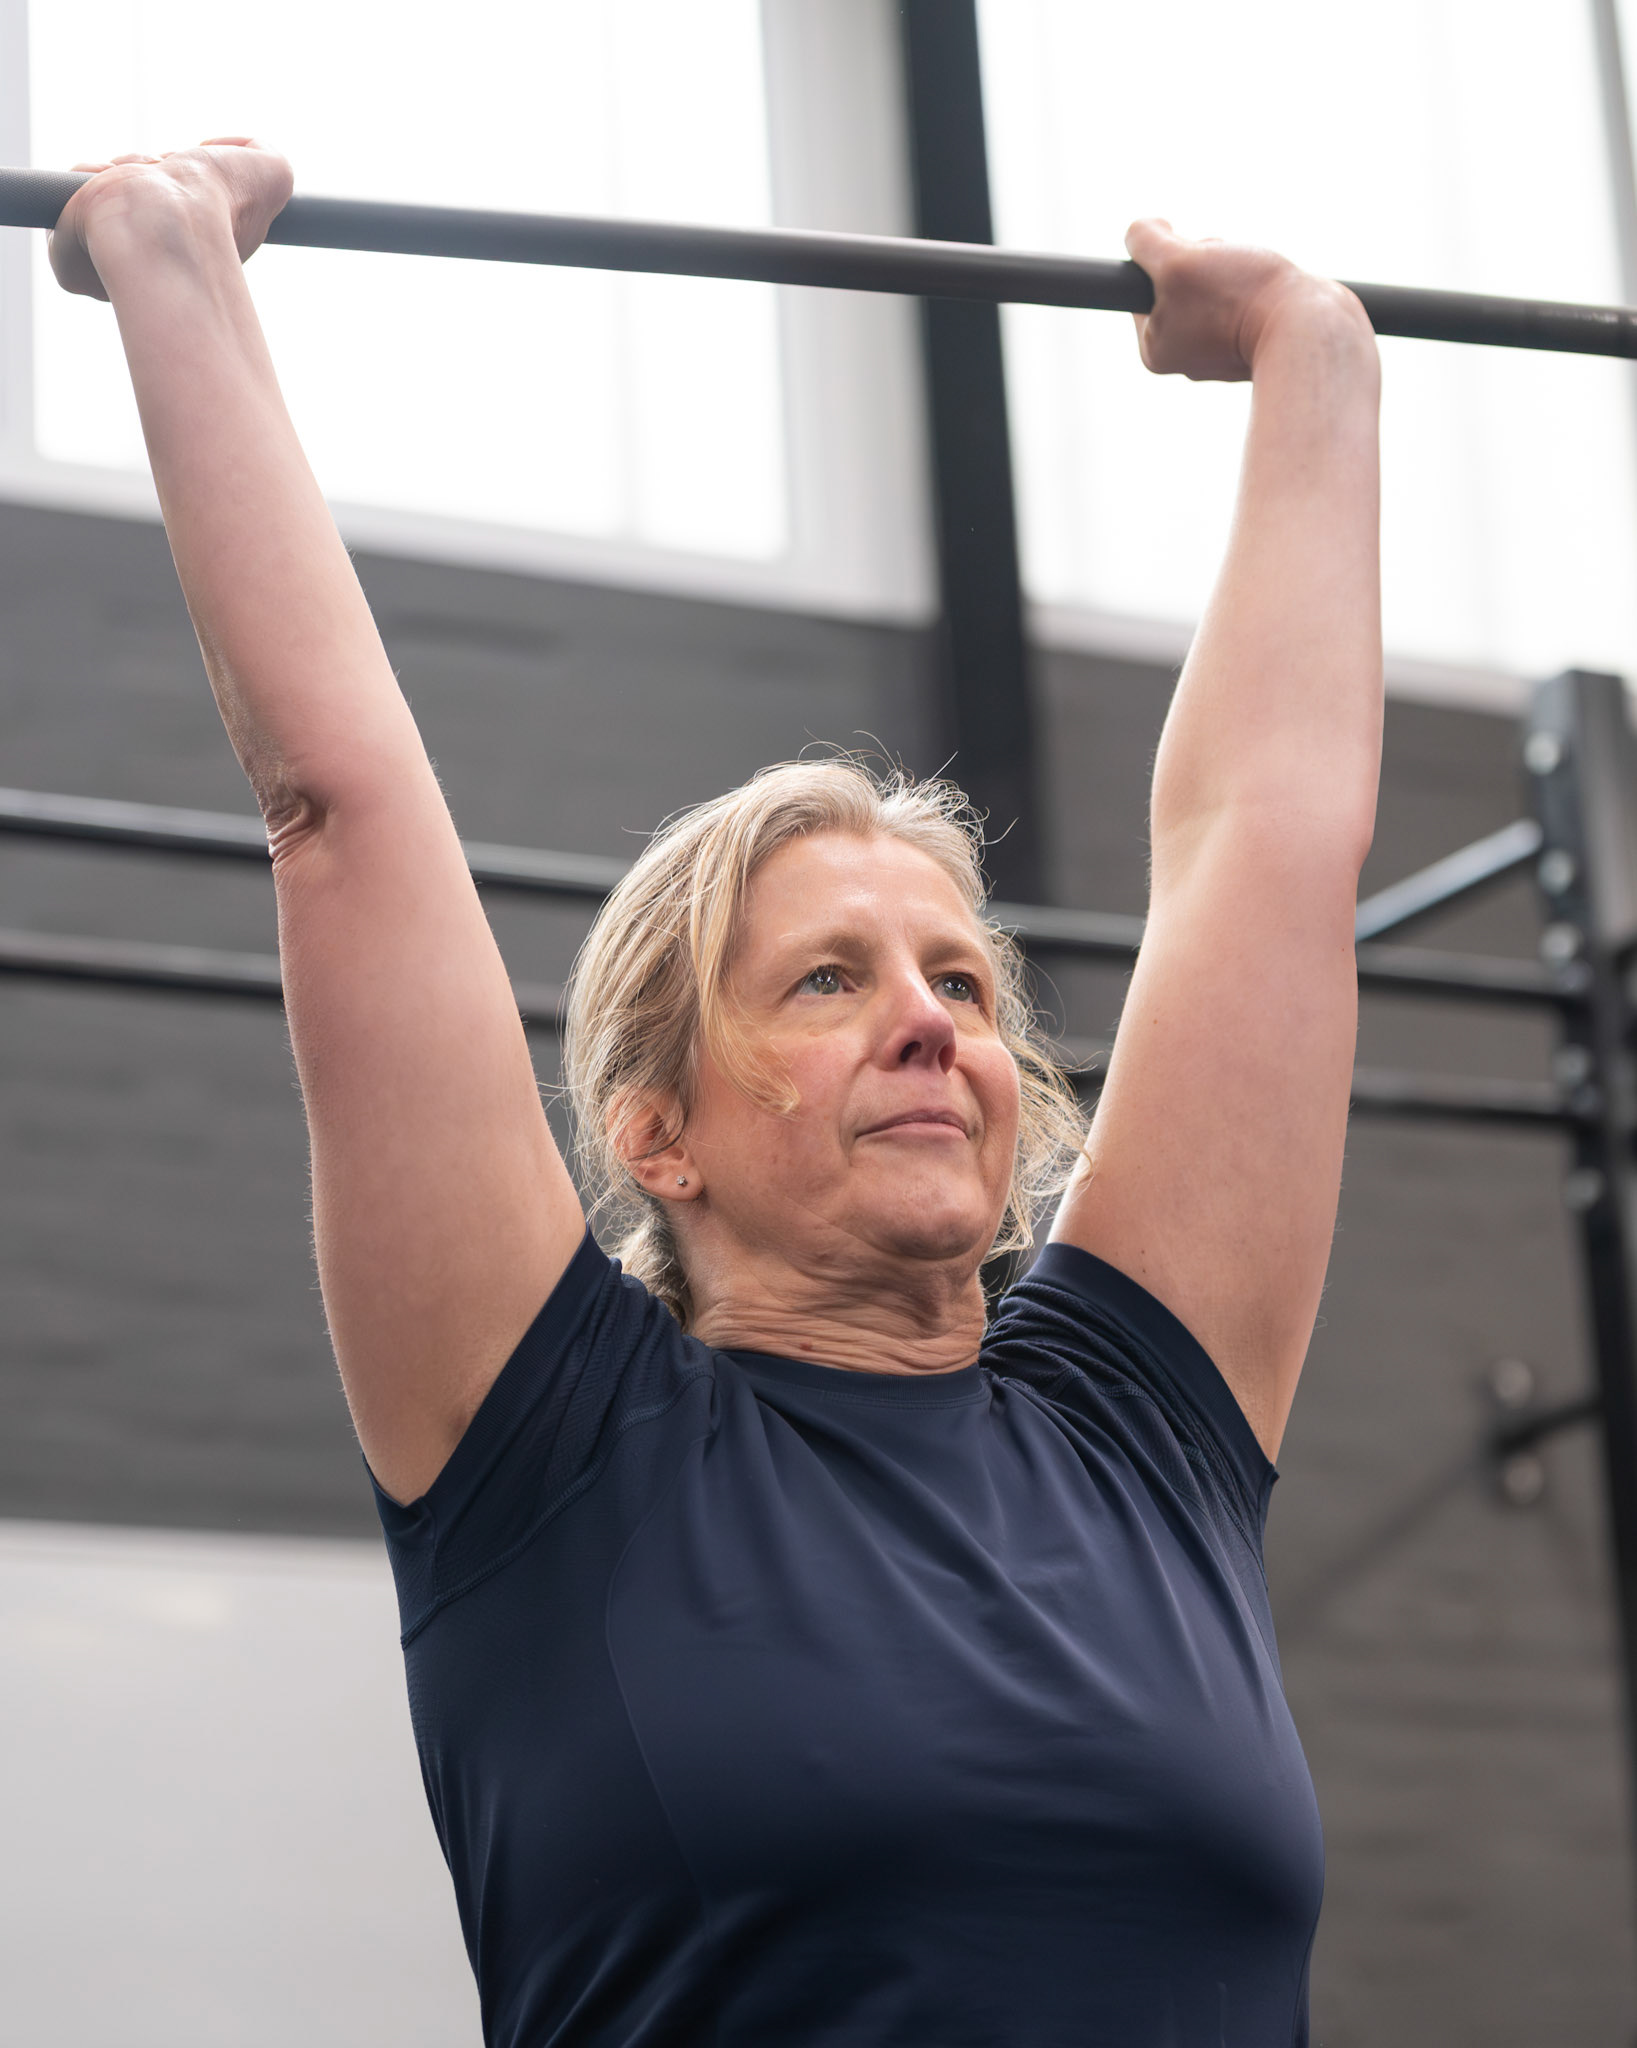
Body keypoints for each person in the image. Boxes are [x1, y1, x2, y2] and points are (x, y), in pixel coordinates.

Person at [51, 138, 1382, 2048]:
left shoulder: (1137, 1428)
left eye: (956, 982)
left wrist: (1313, 353)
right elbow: (339, 807)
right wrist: (170, 264)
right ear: (653, 1133)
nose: (925, 1023)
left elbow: (1272, 847)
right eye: (829, 981)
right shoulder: (553, 1446)